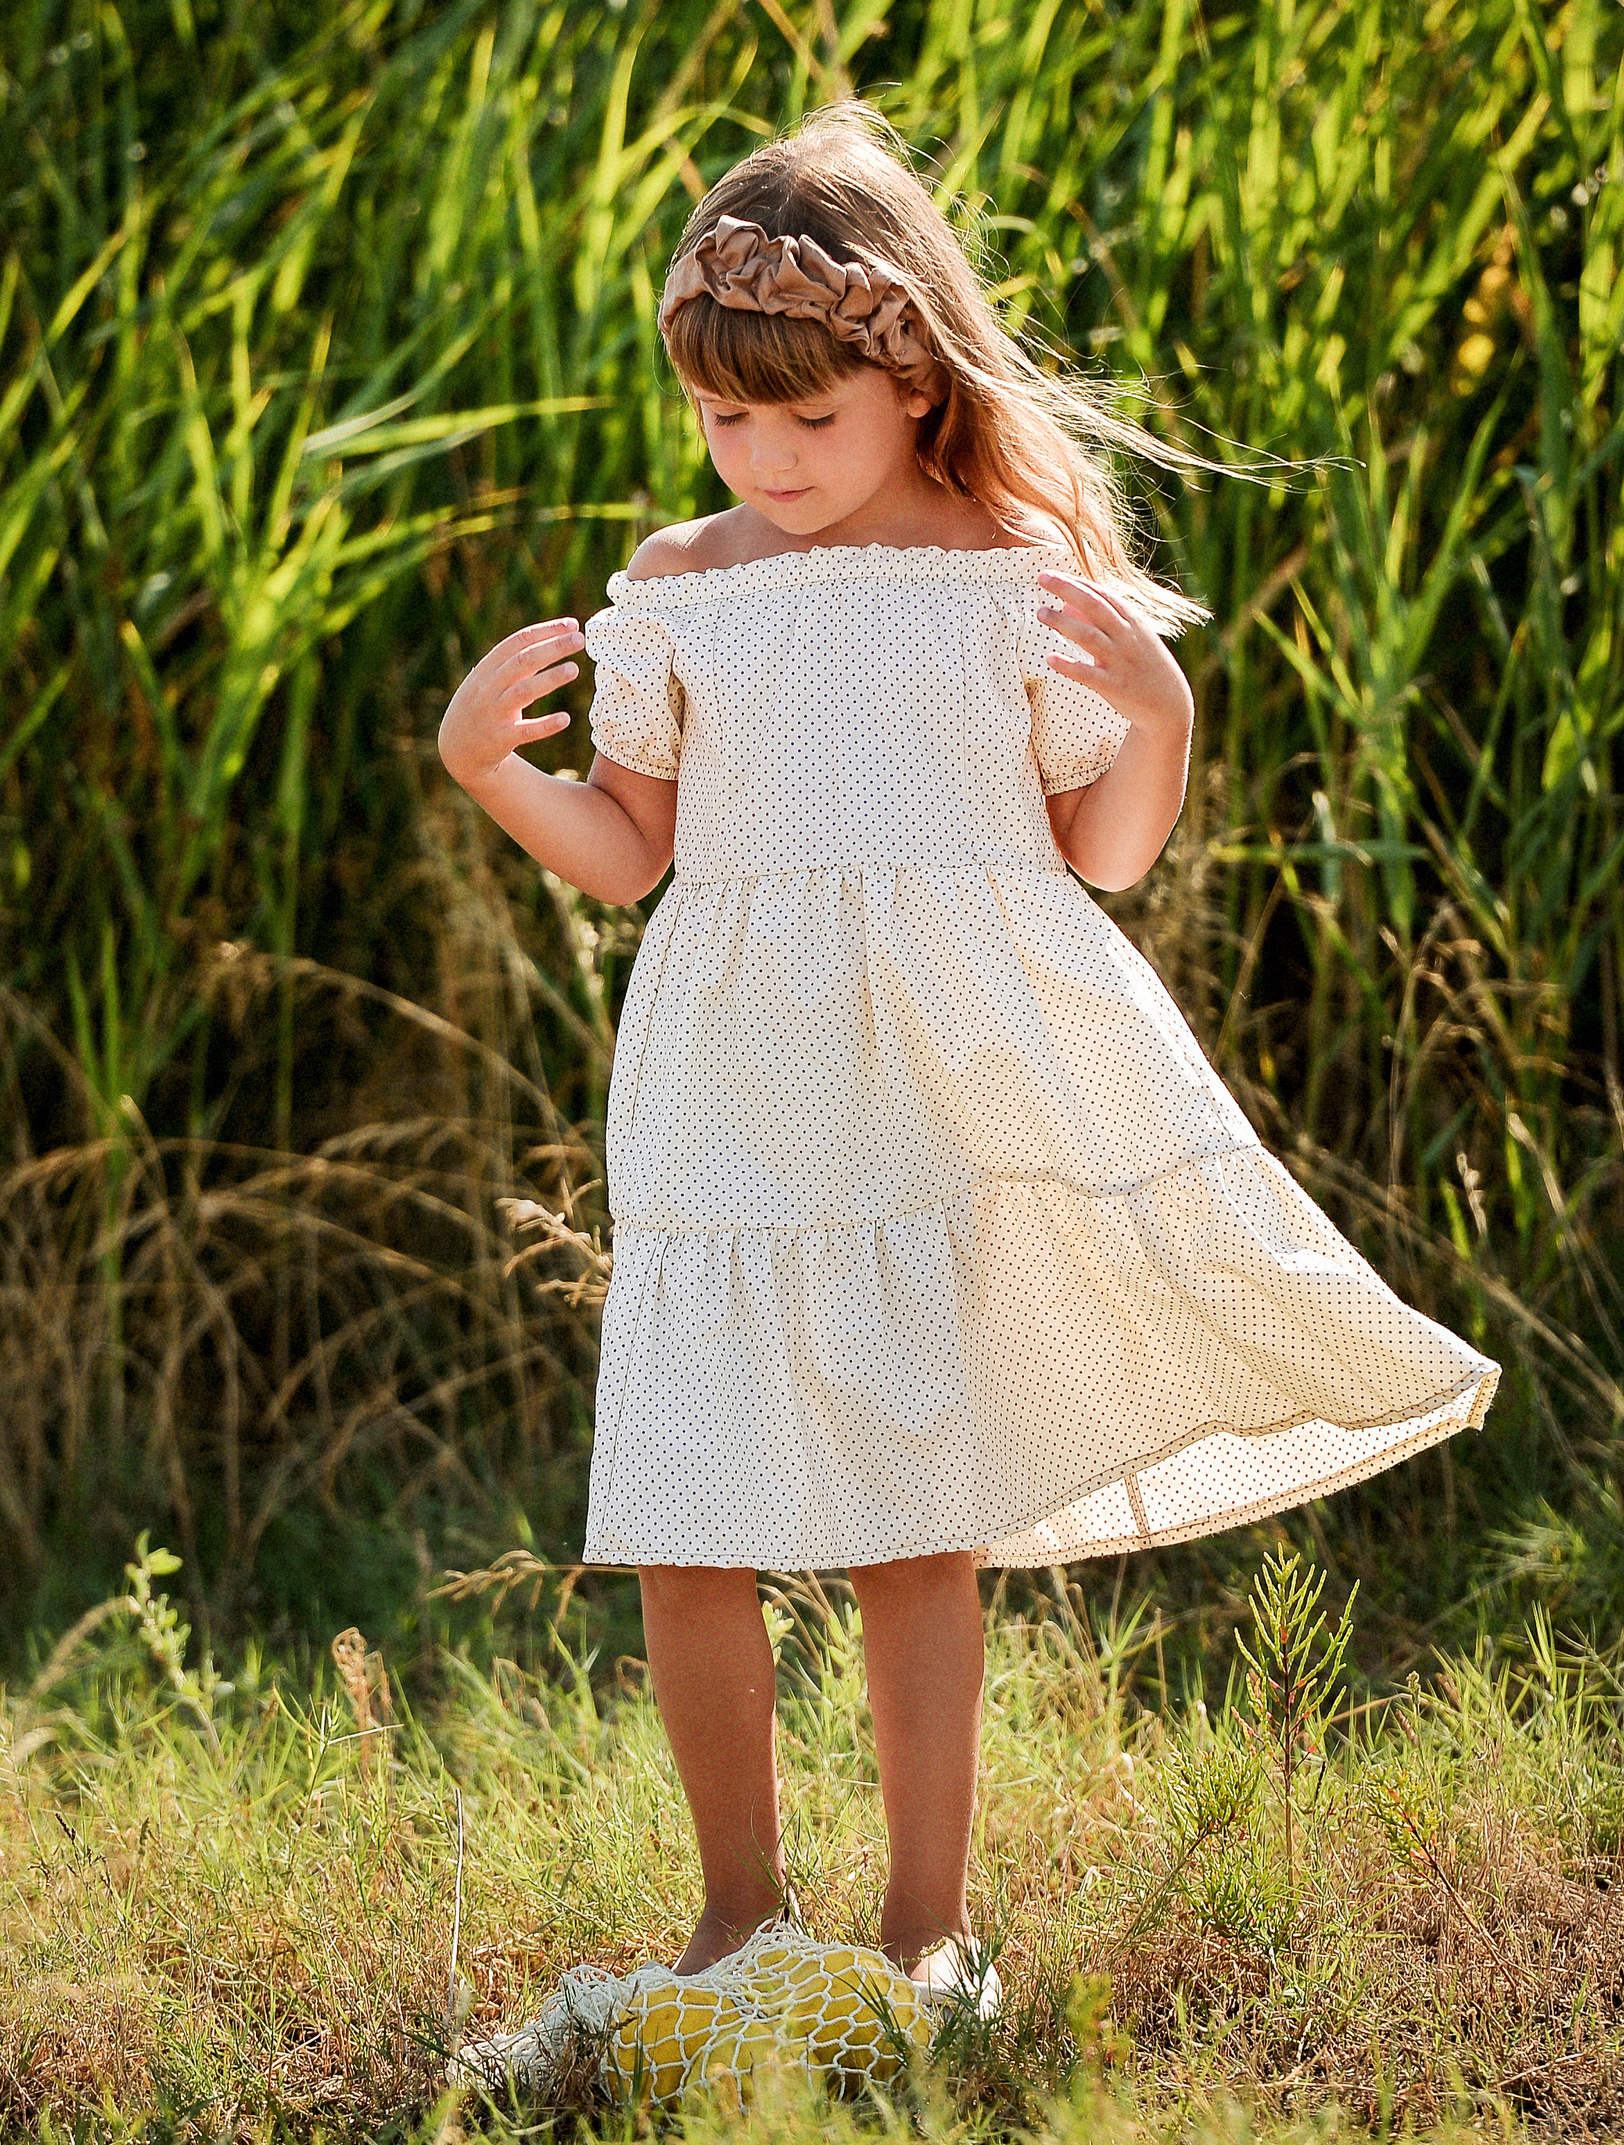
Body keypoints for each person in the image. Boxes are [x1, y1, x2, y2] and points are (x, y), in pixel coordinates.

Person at [437, 104, 1499, 2000]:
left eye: (806, 420)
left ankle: (930, 1928)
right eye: (724, 420)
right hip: (728, 1073)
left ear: (913, 377)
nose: (763, 460)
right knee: (696, 1507)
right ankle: (738, 1911)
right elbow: (629, 854)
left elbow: (1100, 855)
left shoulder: (1006, 577)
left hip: (936, 1086)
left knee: (911, 1518)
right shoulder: (686, 586)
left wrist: (1158, 713)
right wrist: (489, 775)